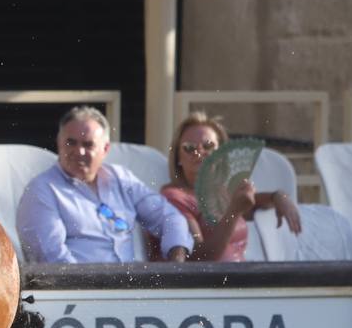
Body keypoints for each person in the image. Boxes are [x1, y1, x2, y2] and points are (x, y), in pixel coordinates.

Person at [17, 106, 193, 264]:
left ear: (105, 149)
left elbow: (169, 216)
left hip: (131, 290)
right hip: (79, 293)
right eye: (71, 143)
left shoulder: (121, 178)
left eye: (88, 144)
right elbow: (52, 258)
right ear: (59, 143)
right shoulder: (42, 189)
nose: (79, 151)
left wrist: (176, 257)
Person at [159, 111, 302, 261]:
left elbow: (254, 202)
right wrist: (234, 211)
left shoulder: (220, 194)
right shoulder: (173, 198)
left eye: (208, 146)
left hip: (238, 279)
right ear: (178, 158)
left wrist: (278, 196)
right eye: (189, 148)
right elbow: (198, 260)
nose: (199, 152)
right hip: (213, 283)